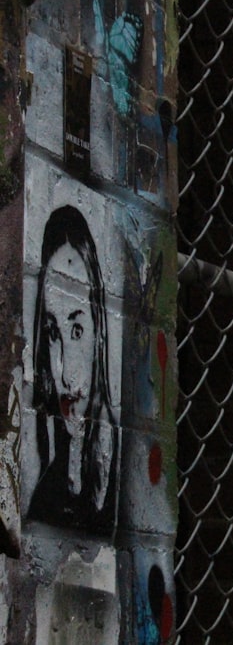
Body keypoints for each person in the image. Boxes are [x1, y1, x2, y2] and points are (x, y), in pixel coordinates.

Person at [27, 205, 118, 536]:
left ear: (99, 335)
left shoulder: (126, 480)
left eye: (77, 331)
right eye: (53, 334)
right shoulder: (47, 497)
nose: (64, 373)